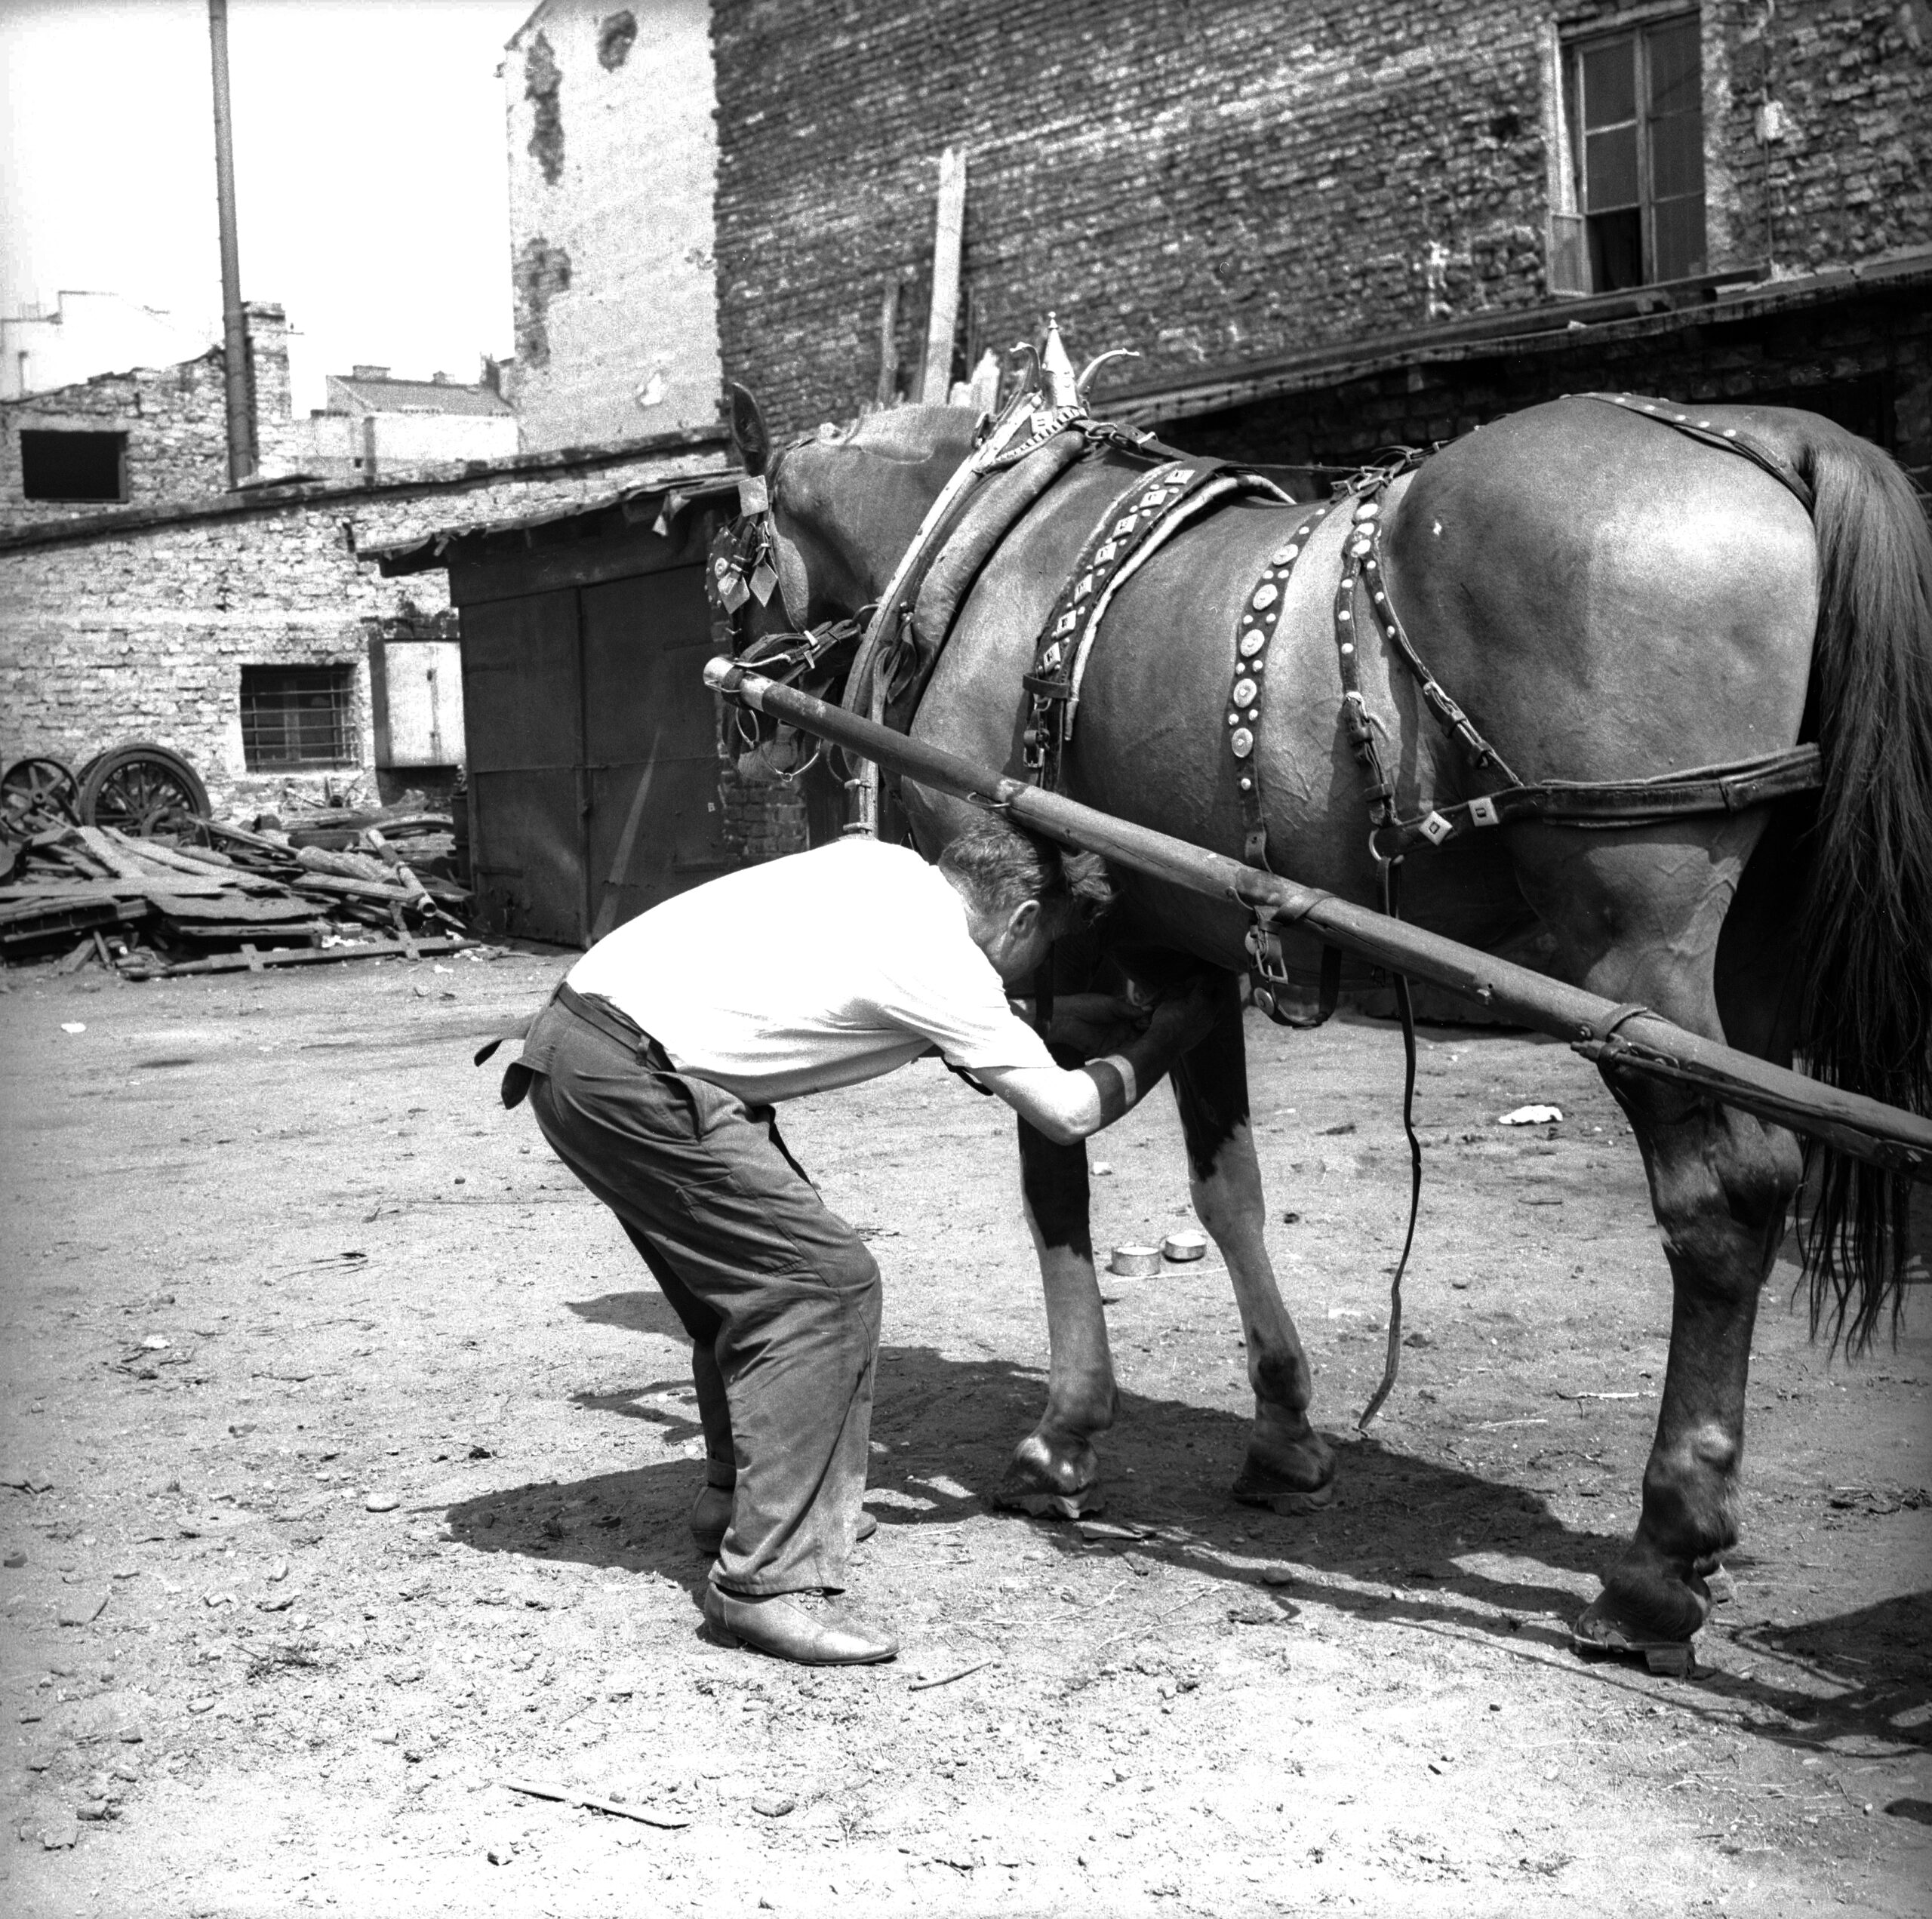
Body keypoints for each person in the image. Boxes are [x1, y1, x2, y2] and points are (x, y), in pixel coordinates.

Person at [495, 814, 1215, 1665]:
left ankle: (735, 1501)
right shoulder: (944, 964)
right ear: (1020, 917)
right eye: (1047, 942)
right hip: (636, 1080)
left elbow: (855, 993)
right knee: (823, 1286)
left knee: (739, 1291)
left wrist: (1028, 1021)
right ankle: (769, 1582)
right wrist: (1175, 1029)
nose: (1042, 963)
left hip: (578, 1049)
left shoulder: (881, 868)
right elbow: (1067, 1113)